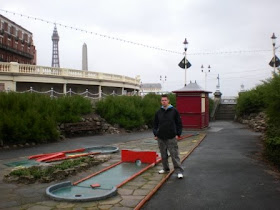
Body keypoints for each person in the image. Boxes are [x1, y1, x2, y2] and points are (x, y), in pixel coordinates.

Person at [153, 94, 184, 179]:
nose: (164, 102)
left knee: (174, 155)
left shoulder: (174, 111)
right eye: (162, 100)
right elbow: (155, 124)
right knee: (163, 155)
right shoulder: (158, 112)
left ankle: (179, 171)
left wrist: (178, 134)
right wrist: (155, 134)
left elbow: (179, 123)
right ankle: (165, 169)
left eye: (165, 100)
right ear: (161, 101)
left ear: (168, 101)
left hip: (171, 137)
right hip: (160, 137)